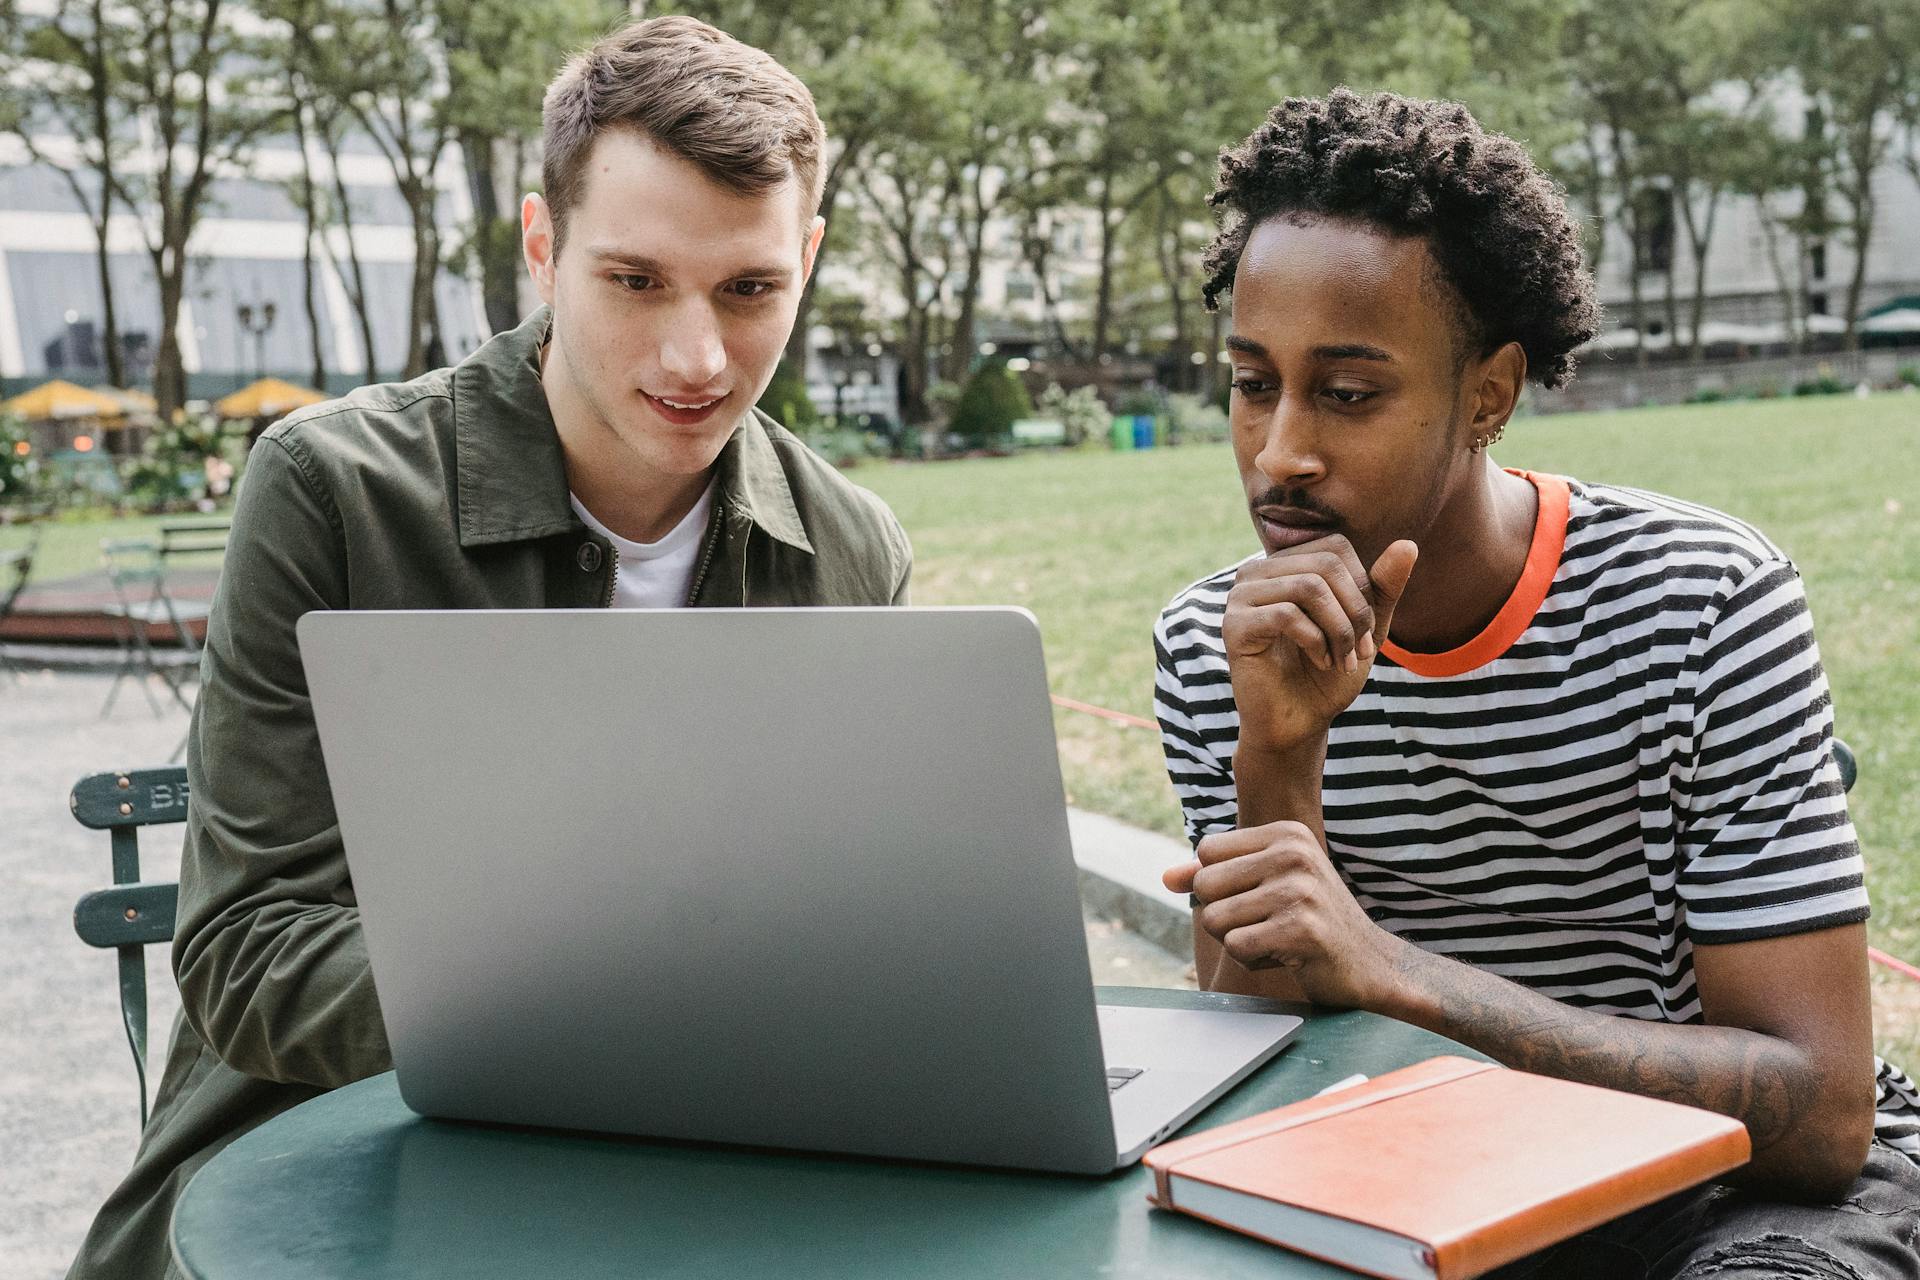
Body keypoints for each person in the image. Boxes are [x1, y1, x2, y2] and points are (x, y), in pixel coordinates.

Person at [68, 17, 910, 1277]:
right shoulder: (330, 490)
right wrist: (617, 1003)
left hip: (686, 1187)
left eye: (750, 289)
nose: (697, 357)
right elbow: (246, 954)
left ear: (808, 259)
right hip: (305, 1187)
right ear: (541, 246)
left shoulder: (852, 548)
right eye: (634, 280)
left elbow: (855, 932)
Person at [1153, 89, 1919, 1277]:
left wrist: (1396, 972)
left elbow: (1819, 1117)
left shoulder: (1702, 598)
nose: (1281, 450)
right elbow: (1266, 1080)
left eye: (1348, 393)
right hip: (1429, 1167)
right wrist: (1278, 760)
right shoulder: (1219, 641)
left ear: (1491, 394)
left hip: (1718, 1190)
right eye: (1254, 383)